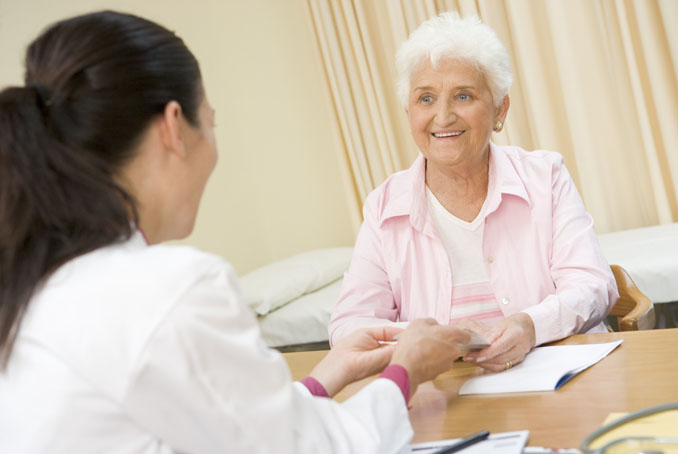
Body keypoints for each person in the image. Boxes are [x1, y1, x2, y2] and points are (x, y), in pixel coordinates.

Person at [0, 11, 472, 454]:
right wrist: (405, 370)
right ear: (172, 128)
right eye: (210, 122)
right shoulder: (169, 289)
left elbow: (240, 431)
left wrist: (332, 370)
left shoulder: (36, 287)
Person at [329, 12, 619, 373]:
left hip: (561, 382)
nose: (444, 116)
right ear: (408, 112)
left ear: (500, 109)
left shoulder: (545, 176)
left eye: (463, 95)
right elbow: (349, 326)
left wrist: (529, 326)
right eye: (426, 99)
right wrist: (433, 338)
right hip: (445, 398)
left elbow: (592, 285)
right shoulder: (384, 205)